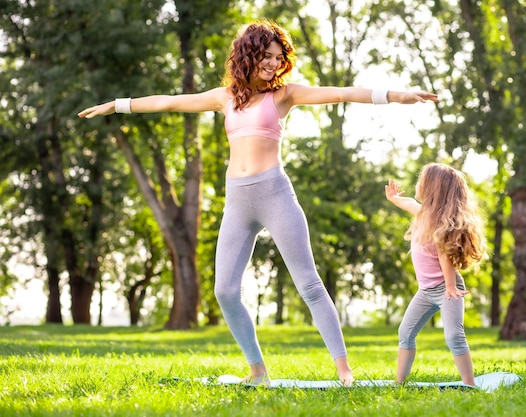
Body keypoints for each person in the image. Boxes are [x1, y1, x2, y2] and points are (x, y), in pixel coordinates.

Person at [79, 20, 438, 386]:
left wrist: (396, 95)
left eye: (278, 58)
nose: (272, 64)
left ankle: (344, 371)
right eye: (266, 56)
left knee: (310, 285)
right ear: (248, 54)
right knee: (224, 291)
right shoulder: (225, 98)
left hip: (274, 194)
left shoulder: (284, 95)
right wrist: (116, 105)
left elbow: (343, 92)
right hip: (237, 200)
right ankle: (257, 370)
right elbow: (169, 102)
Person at [384, 163, 488, 386]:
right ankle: (399, 382)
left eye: (422, 180)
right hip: (425, 291)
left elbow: (446, 258)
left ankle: (469, 383)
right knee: (406, 332)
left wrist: (451, 287)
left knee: (454, 336)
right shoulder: (423, 213)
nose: (418, 183)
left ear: (432, 188)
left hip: (446, 288)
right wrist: (394, 199)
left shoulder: (439, 223)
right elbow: (410, 203)